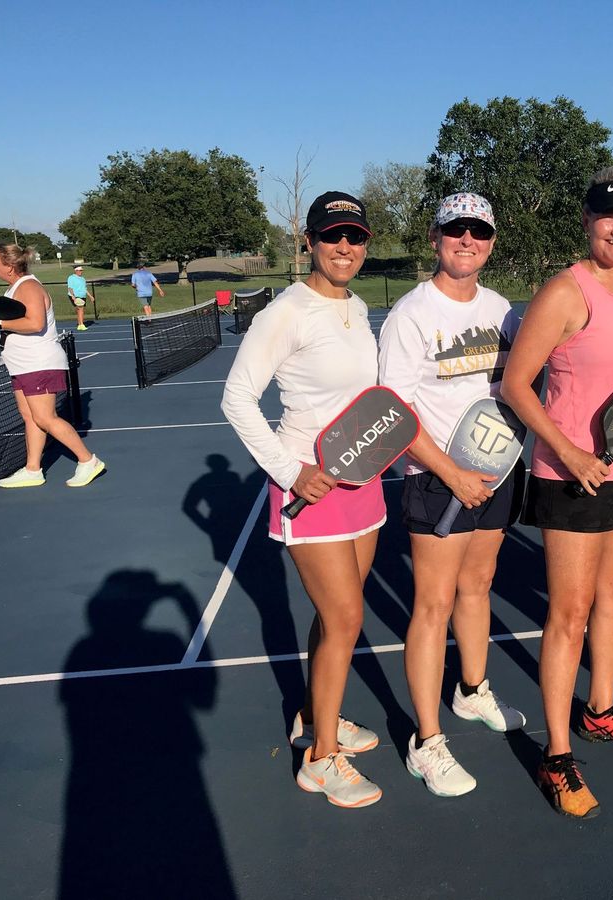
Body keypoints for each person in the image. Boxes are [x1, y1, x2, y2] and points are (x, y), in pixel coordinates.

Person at [501, 167, 613, 819]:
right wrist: (573, 451)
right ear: (587, 220)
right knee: (569, 615)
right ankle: (556, 757)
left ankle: (600, 710)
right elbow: (517, 385)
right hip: (571, 478)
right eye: (609, 216)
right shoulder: (564, 291)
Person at [221, 191, 385, 809]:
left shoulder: (357, 306)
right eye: (333, 236)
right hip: (309, 490)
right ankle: (321, 762)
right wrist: (291, 471)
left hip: (363, 484)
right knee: (345, 619)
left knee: (332, 618)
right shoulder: (285, 312)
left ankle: (320, 715)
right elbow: (237, 398)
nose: (346, 247)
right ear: (311, 242)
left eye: (356, 236)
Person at [378, 193, 528, 798]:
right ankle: (427, 742)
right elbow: (394, 409)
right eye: (457, 229)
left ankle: (472, 691)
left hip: (495, 472)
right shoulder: (410, 315)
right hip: (435, 475)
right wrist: (453, 473)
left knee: (478, 585)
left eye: (480, 231)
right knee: (432, 605)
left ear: (491, 241)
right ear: (436, 236)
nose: (468, 240)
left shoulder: (502, 310)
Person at [0, 243, 104, 488]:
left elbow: (35, 323)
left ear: (9, 266)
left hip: (39, 363)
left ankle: (88, 461)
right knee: (30, 416)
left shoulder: (30, 287)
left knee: (45, 417)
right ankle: (33, 469)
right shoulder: (15, 287)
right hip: (21, 365)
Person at [66, 265, 91, 331]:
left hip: (82, 296)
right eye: (80, 270)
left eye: (81, 270)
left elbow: (85, 289)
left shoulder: (83, 279)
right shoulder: (71, 278)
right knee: (81, 309)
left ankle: (80, 324)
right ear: (76, 271)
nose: (81, 272)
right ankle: (81, 324)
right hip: (75, 296)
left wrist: (90, 296)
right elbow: (70, 288)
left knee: (80, 310)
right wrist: (73, 296)